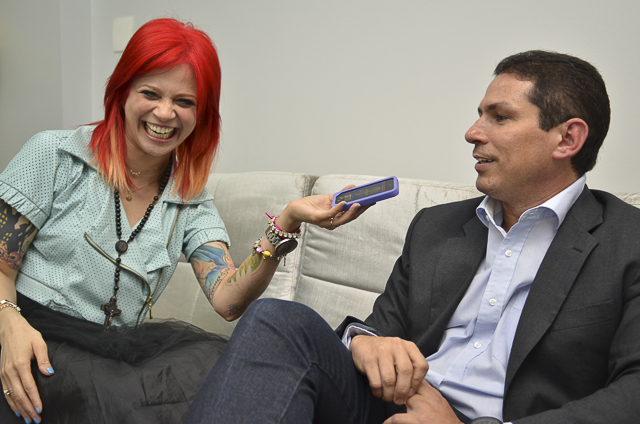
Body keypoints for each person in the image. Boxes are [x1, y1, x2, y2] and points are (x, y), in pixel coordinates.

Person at [186, 50, 640, 424]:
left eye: (500, 117)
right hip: (393, 408)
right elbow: (380, 330)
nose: (472, 133)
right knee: (276, 319)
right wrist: (364, 342)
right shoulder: (437, 227)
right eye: (479, 115)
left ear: (567, 139)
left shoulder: (627, 241)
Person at [0, 18, 367, 424]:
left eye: (184, 101)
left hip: (108, 357)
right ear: (122, 93)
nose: (165, 113)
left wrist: (286, 222)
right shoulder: (53, 155)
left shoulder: (190, 198)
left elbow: (228, 301)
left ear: (201, 114)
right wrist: (9, 322)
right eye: (150, 93)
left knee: (220, 371)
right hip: (26, 334)